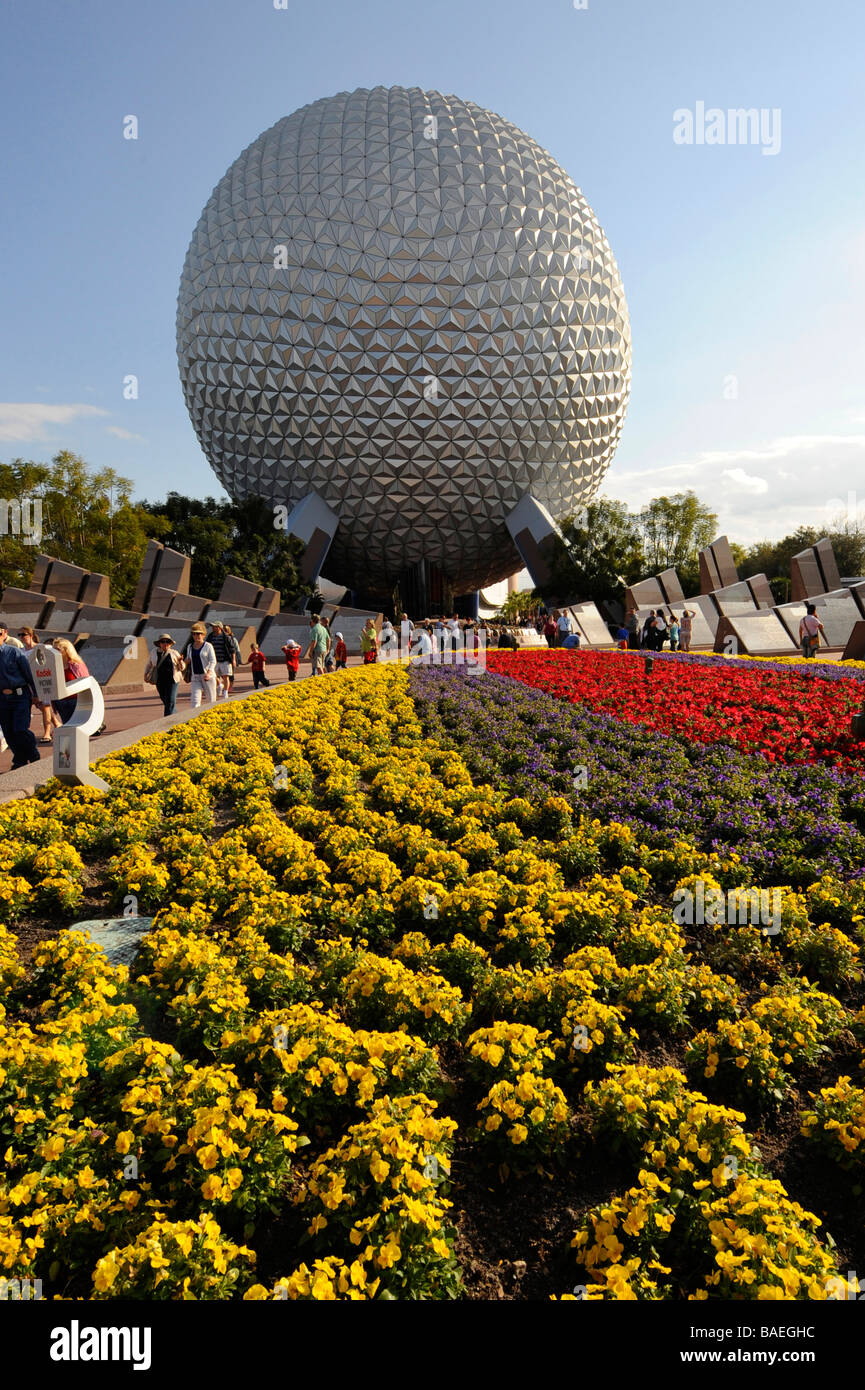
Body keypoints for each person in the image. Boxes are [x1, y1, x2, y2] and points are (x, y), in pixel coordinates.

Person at [0, 620, 40, 768]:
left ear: (4, 634)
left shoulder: (14, 652)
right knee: (8, 731)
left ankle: (32, 754)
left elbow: (29, 675)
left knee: (20, 729)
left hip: (19, 696)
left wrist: (36, 695)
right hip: (2, 699)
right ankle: (20, 759)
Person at [17, 626, 59, 743]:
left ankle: (47, 733)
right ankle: (57, 723)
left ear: (30, 635)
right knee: (39, 705)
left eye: (23, 634)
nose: (21, 637)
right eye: (19, 635)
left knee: (45, 705)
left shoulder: (41, 648)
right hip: (29, 683)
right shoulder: (21, 651)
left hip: (41, 679)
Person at [50, 638, 89, 726]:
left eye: (58, 649)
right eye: (54, 649)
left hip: (76, 700)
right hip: (60, 701)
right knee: (67, 725)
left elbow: (85, 682)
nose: (55, 652)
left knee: (79, 725)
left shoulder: (76, 665)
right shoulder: (53, 666)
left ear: (66, 650)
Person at [144, 633, 184, 717]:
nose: (165, 644)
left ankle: (166, 721)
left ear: (170, 644)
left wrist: (180, 662)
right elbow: (149, 664)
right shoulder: (154, 652)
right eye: (163, 642)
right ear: (159, 643)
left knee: (170, 701)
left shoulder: (174, 653)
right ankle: (177, 716)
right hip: (160, 681)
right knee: (166, 701)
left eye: (167, 642)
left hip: (173, 680)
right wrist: (145, 674)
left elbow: (182, 668)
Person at [184, 623, 217, 707]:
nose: (196, 636)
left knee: (211, 700)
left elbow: (213, 661)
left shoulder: (208, 646)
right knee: (195, 701)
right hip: (195, 677)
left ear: (203, 634)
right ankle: (195, 718)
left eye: (198, 633)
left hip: (207, 677)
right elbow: (188, 659)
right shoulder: (190, 646)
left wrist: (209, 673)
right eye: (194, 634)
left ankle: (213, 719)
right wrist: (184, 661)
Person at [209, 622, 234, 701]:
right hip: (214, 660)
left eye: (214, 626)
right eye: (212, 626)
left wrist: (234, 659)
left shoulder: (226, 637)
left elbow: (232, 649)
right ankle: (219, 684)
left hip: (225, 660)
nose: (213, 628)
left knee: (226, 676)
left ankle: (225, 692)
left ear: (219, 627)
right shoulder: (210, 636)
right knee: (213, 676)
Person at [223, 624, 241, 693]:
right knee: (223, 674)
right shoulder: (221, 638)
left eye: (225, 631)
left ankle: (230, 686)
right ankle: (226, 686)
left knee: (231, 673)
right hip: (224, 658)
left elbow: (237, 649)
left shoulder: (233, 639)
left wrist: (237, 659)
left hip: (231, 658)